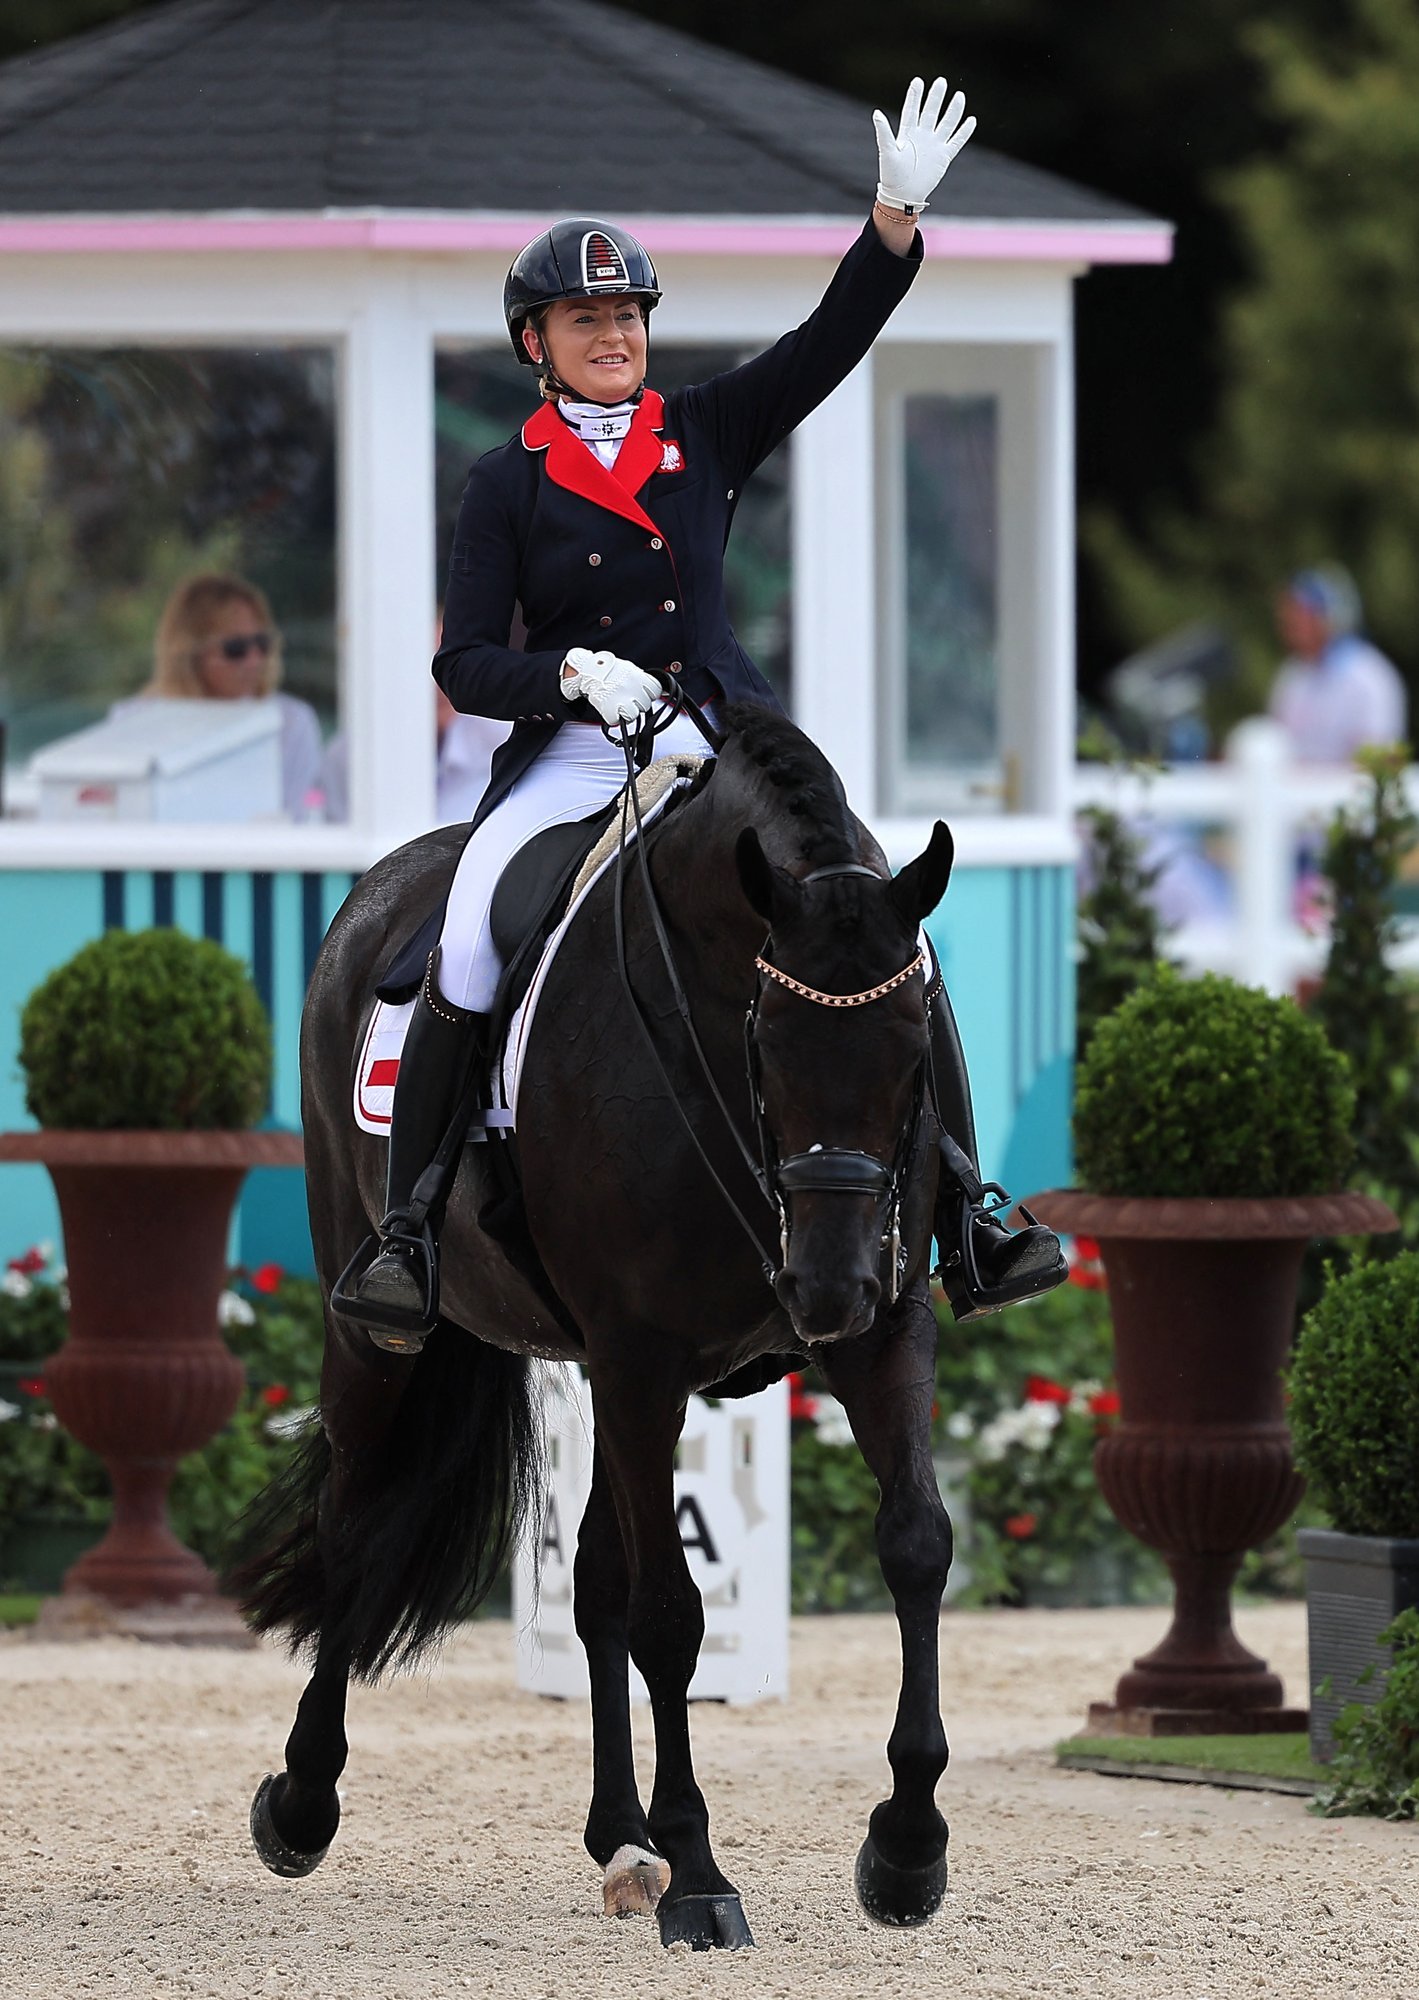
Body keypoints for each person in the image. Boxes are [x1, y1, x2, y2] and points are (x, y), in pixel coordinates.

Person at [341, 77, 1066, 1338]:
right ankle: (410, 1233)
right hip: (575, 754)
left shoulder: (706, 430)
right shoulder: (502, 481)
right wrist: (566, 674)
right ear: (538, 342)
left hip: (716, 744)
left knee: (888, 929)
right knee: (463, 938)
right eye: (584, 316)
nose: (611, 333)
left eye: (624, 312)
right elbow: (462, 665)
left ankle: (967, 1210)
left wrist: (892, 219)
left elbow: (825, 345)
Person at [114, 573, 324, 819]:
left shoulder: (291, 721)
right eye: (236, 649)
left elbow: (298, 823)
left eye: (262, 643)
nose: (254, 659)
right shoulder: (135, 721)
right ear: (190, 653)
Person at [1268, 565, 1407, 764]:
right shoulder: (1292, 674)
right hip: (1299, 793)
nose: (1289, 621)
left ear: (1330, 615)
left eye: (1301, 612)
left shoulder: (1371, 677)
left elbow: (1380, 760)